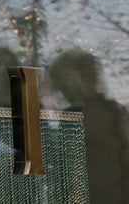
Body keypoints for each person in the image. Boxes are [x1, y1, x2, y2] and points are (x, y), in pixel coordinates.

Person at [48, 48, 129, 204]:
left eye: (87, 69)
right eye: (77, 72)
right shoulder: (69, 119)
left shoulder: (111, 110)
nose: (87, 76)